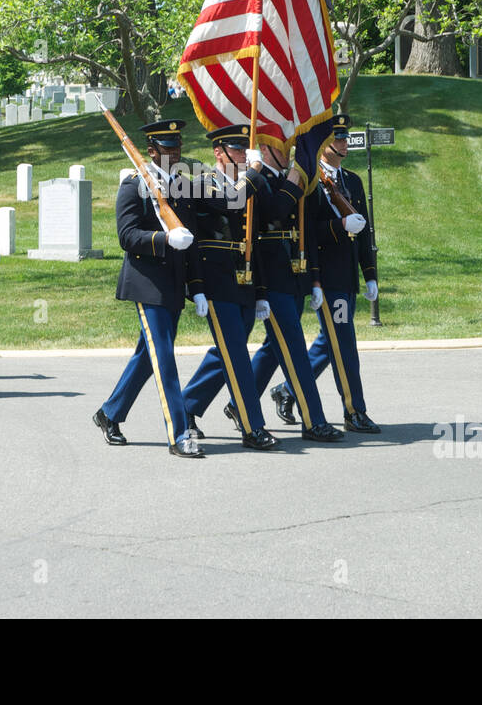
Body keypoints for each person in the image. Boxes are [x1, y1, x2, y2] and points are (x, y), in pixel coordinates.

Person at [93, 120, 203, 456]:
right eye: (168, 148)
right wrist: (163, 238)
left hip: (172, 285)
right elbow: (127, 236)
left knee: (148, 355)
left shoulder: (182, 186)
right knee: (165, 358)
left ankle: (109, 413)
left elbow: (191, 243)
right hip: (146, 284)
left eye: (178, 147)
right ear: (152, 151)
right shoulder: (134, 184)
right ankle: (180, 433)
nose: (175, 153)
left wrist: (196, 287)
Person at [268, 114, 380, 432]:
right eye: (339, 138)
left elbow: (365, 231)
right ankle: (354, 410)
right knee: (344, 343)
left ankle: (286, 391)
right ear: (326, 145)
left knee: (329, 341)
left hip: (347, 278)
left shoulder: (353, 181)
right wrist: (338, 227)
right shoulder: (312, 181)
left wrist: (370, 274)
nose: (344, 143)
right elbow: (310, 231)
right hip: (327, 277)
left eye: (345, 138)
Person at [180, 124, 279, 450]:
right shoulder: (201, 185)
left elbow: (255, 239)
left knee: (226, 352)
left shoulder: (246, 186)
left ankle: (187, 406)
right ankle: (253, 427)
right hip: (217, 284)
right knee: (236, 354)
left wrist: (262, 291)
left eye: (244, 149)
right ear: (218, 153)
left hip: (245, 283)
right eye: (236, 149)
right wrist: (253, 173)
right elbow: (231, 203)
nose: (242, 154)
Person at [242, 142, 344, 441]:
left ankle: (205, 403)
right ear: (265, 148)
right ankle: (313, 421)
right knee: (296, 350)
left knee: (274, 349)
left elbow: (305, 231)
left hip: (294, 275)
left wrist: (314, 279)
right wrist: (293, 182)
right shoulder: (258, 179)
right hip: (270, 276)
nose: (289, 152)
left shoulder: (291, 177)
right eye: (281, 146)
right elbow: (274, 212)